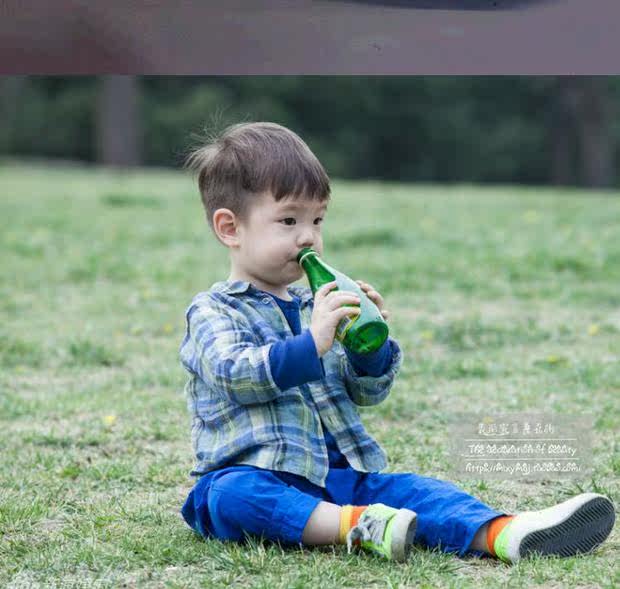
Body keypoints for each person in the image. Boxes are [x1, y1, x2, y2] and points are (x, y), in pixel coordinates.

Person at [178, 121, 615, 563]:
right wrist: (312, 343)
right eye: (289, 220)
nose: (308, 236)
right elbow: (236, 375)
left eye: (317, 219)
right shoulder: (214, 311)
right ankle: (358, 526)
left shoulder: (319, 304)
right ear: (230, 228)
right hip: (259, 473)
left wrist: (368, 353)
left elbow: (366, 393)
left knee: (416, 491)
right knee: (230, 496)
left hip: (341, 477)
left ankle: (504, 533)